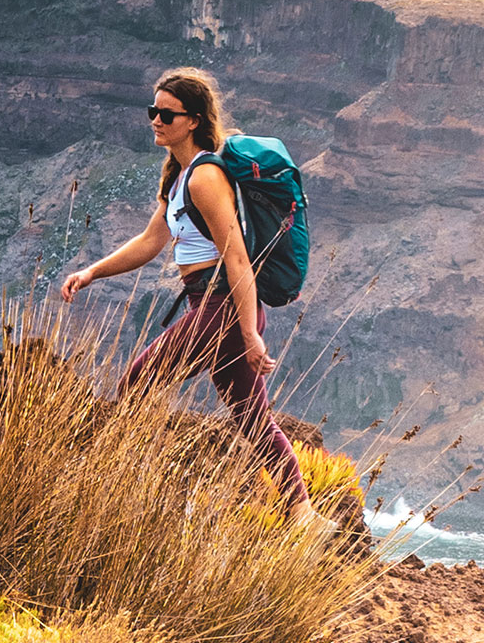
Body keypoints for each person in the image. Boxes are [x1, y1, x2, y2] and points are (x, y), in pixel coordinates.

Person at [56, 67, 303, 494]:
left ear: (193, 121)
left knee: (136, 384)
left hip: (221, 310)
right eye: (153, 111)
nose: (156, 120)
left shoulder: (205, 177)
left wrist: (249, 333)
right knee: (253, 421)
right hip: (209, 308)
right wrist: (92, 272)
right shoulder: (181, 178)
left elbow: (237, 258)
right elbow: (150, 241)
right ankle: (301, 512)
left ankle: (132, 486)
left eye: (167, 114)